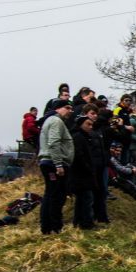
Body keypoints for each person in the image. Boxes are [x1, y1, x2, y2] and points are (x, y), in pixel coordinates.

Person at [37, 99, 75, 234]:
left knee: (51, 194)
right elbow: (53, 143)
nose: (70, 111)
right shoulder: (56, 121)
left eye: (71, 108)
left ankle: (47, 227)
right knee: (56, 195)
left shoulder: (52, 121)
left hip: (49, 162)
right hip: (53, 163)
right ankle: (55, 227)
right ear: (58, 108)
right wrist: (58, 164)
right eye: (67, 108)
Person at [70, 116, 96, 230]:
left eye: (91, 125)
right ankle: (85, 223)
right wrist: (88, 167)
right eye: (88, 124)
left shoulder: (84, 137)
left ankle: (79, 222)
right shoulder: (78, 137)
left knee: (82, 199)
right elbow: (79, 155)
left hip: (83, 173)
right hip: (81, 174)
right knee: (86, 198)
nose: (90, 127)